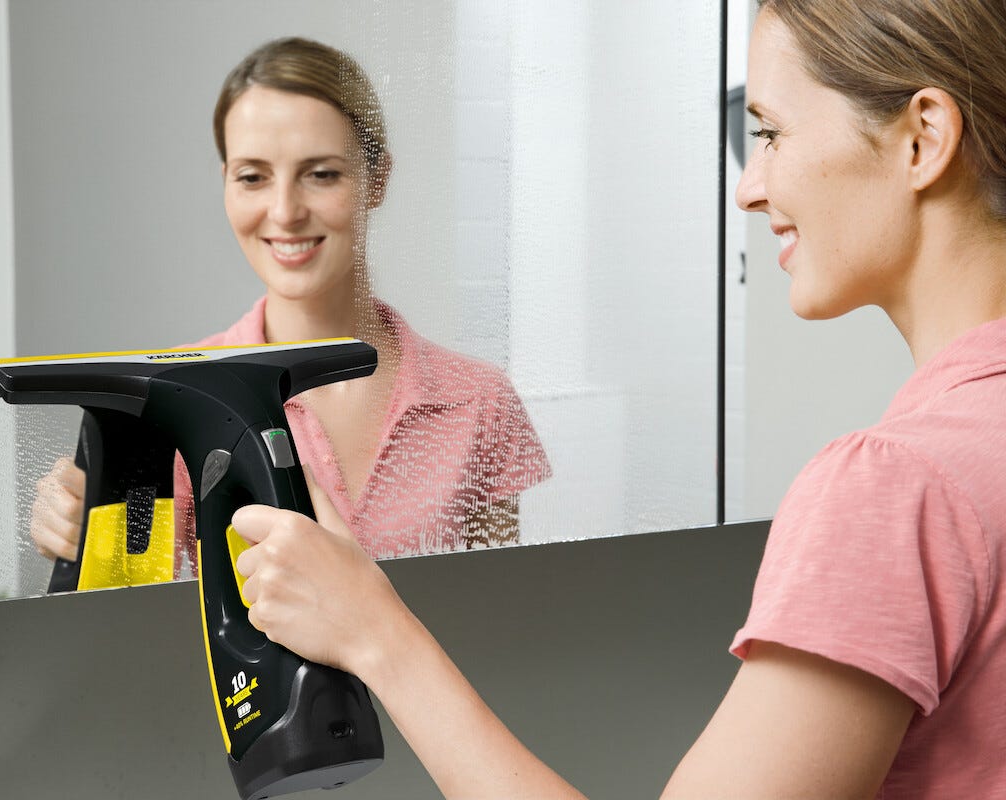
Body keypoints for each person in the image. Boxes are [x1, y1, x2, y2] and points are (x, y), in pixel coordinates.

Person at [228, 1, 1006, 797]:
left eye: (770, 132)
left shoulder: (893, 488)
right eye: (251, 174)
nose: (748, 187)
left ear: (923, 139)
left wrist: (378, 635)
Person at [29, 37, 551, 575]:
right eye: (253, 177)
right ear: (226, 185)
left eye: (321, 174)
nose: (284, 212)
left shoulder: (479, 402)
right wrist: (74, 521)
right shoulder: (173, 399)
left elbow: (498, 611)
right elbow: (135, 594)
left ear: (378, 180)